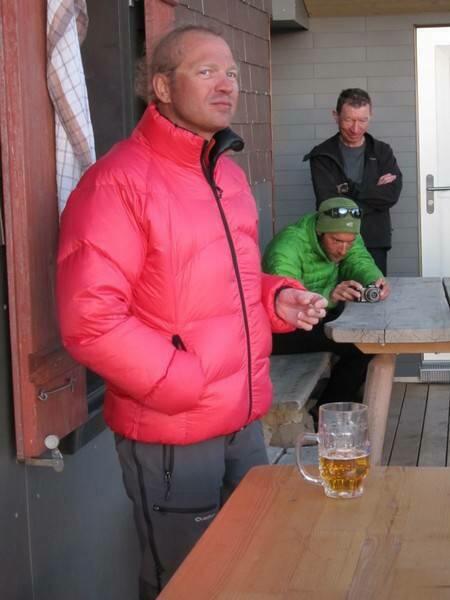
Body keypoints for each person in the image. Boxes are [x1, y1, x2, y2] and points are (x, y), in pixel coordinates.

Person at [56, 25, 327, 599]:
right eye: (205, 71)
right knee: (186, 582)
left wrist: (275, 297)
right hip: (173, 431)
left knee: (252, 564)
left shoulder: (226, 173)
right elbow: (90, 320)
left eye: (231, 72)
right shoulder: (117, 182)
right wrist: (184, 383)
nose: (226, 84)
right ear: (161, 87)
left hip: (242, 419)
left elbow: (225, 281)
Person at [263, 197, 390, 421]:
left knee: (364, 337)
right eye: (336, 241)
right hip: (280, 330)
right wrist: (329, 295)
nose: (343, 249)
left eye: (350, 242)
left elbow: (358, 261)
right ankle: (327, 415)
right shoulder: (287, 247)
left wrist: (374, 280)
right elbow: (288, 303)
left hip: (317, 317)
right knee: (361, 345)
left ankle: (337, 405)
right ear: (320, 231)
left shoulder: (346, 237)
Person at [303, 88, 402, 275]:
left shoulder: (382, 151)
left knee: (373, 290)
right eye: (349, 120)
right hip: (335, 241)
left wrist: (349, 189)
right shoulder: (322, 155)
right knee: (339, 293)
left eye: (363, 120)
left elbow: (390, 195)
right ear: (336, 116)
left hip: (375, 241)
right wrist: (372, 192)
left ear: (370, 116)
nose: (356, 129)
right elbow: (327, 203)